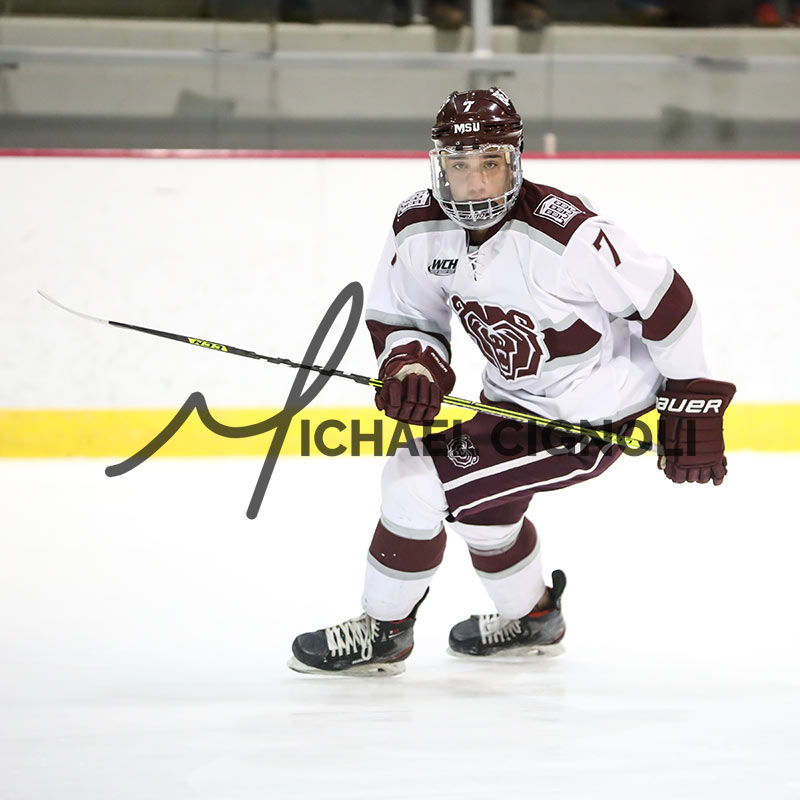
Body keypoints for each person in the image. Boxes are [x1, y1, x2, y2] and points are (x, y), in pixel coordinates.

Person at [288, 88, 736, 676]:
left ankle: (384, 632)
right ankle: (533, 619)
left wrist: (693, 403)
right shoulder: (418, 227)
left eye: (490, 162)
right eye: (459, 164)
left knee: (413, 482)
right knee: (485, 514)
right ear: (439, 164)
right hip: (509, 405)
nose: (475, 183)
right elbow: (408, 317)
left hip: (586, 421)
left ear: (516, 161)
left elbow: (666, 300)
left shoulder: (566, 234)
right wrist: (412, 367)